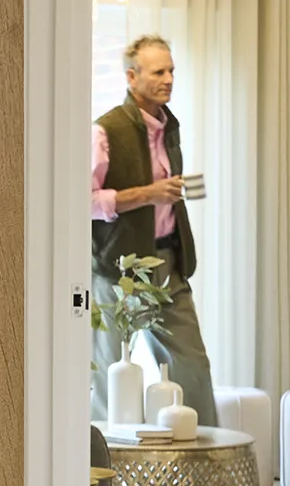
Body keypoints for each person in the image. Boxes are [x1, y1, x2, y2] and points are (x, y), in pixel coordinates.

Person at [91, 33, 216, 425]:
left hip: (169, 262)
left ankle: (202, 464)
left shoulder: (170, 127)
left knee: (192, 364)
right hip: (121, 268)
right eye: (159, 71)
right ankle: (99, 471)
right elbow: (82, 201)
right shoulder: (104, 131)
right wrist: (148, 194)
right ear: (132, 77)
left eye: (172, 70)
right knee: (109, 367)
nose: (169, 78)